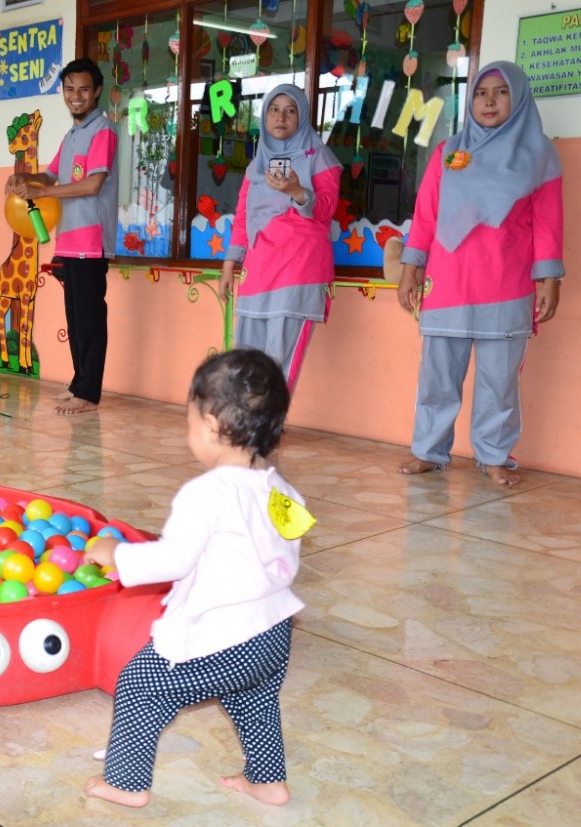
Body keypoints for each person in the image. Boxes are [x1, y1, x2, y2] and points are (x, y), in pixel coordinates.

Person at [83, 349, 306, 809]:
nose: (189, 436)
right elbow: (291, 550)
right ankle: (267, 781)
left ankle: (126, 783)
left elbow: (174, 559)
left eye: (188, 426)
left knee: (140, 686)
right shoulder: (282, 489)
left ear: (209, 427)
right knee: (254, 703)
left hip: (224, 636)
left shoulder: (206, 493)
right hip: (274, 632)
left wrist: (117, 555)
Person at [396, 62, 563, 487]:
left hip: (506, 283)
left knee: (498, 381)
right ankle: (429, 451)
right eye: (480, 92)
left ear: (519, 98)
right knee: (437, 377)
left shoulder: (538, 154)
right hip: (448, 281)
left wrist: (549, 278)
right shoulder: (448, 152)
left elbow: (547, 222)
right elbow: (426, 216)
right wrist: (410, 268)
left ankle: (493, 455)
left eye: (501, 92)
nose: (489, 100)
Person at [5, 57, 119, 415]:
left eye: (84, 89)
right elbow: (51, 177)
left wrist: (43, 193)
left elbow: (92, 183)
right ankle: (78, 384)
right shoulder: (72, 136)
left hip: (90, 241)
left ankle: (89, 392)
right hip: (68, 241)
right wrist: (24, 180)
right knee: (76, 319)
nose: (76, 96)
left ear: (96, 91)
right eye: (70, 89)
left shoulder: (104, 131)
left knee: (89, 319)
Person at [219, 85, 341, 395]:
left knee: (280, 352)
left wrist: (298, 192)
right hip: (259, 267)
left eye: (290, 110)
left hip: (299, 267)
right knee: (248, 351)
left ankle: (268, 420)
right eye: (274, 109)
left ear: (302, 116)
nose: (281, 117)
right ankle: (247, 416)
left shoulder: (319, 156)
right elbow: (243, 215)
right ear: (264, 116)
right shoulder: (257, 164)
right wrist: (229, 264)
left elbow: (326, 210)